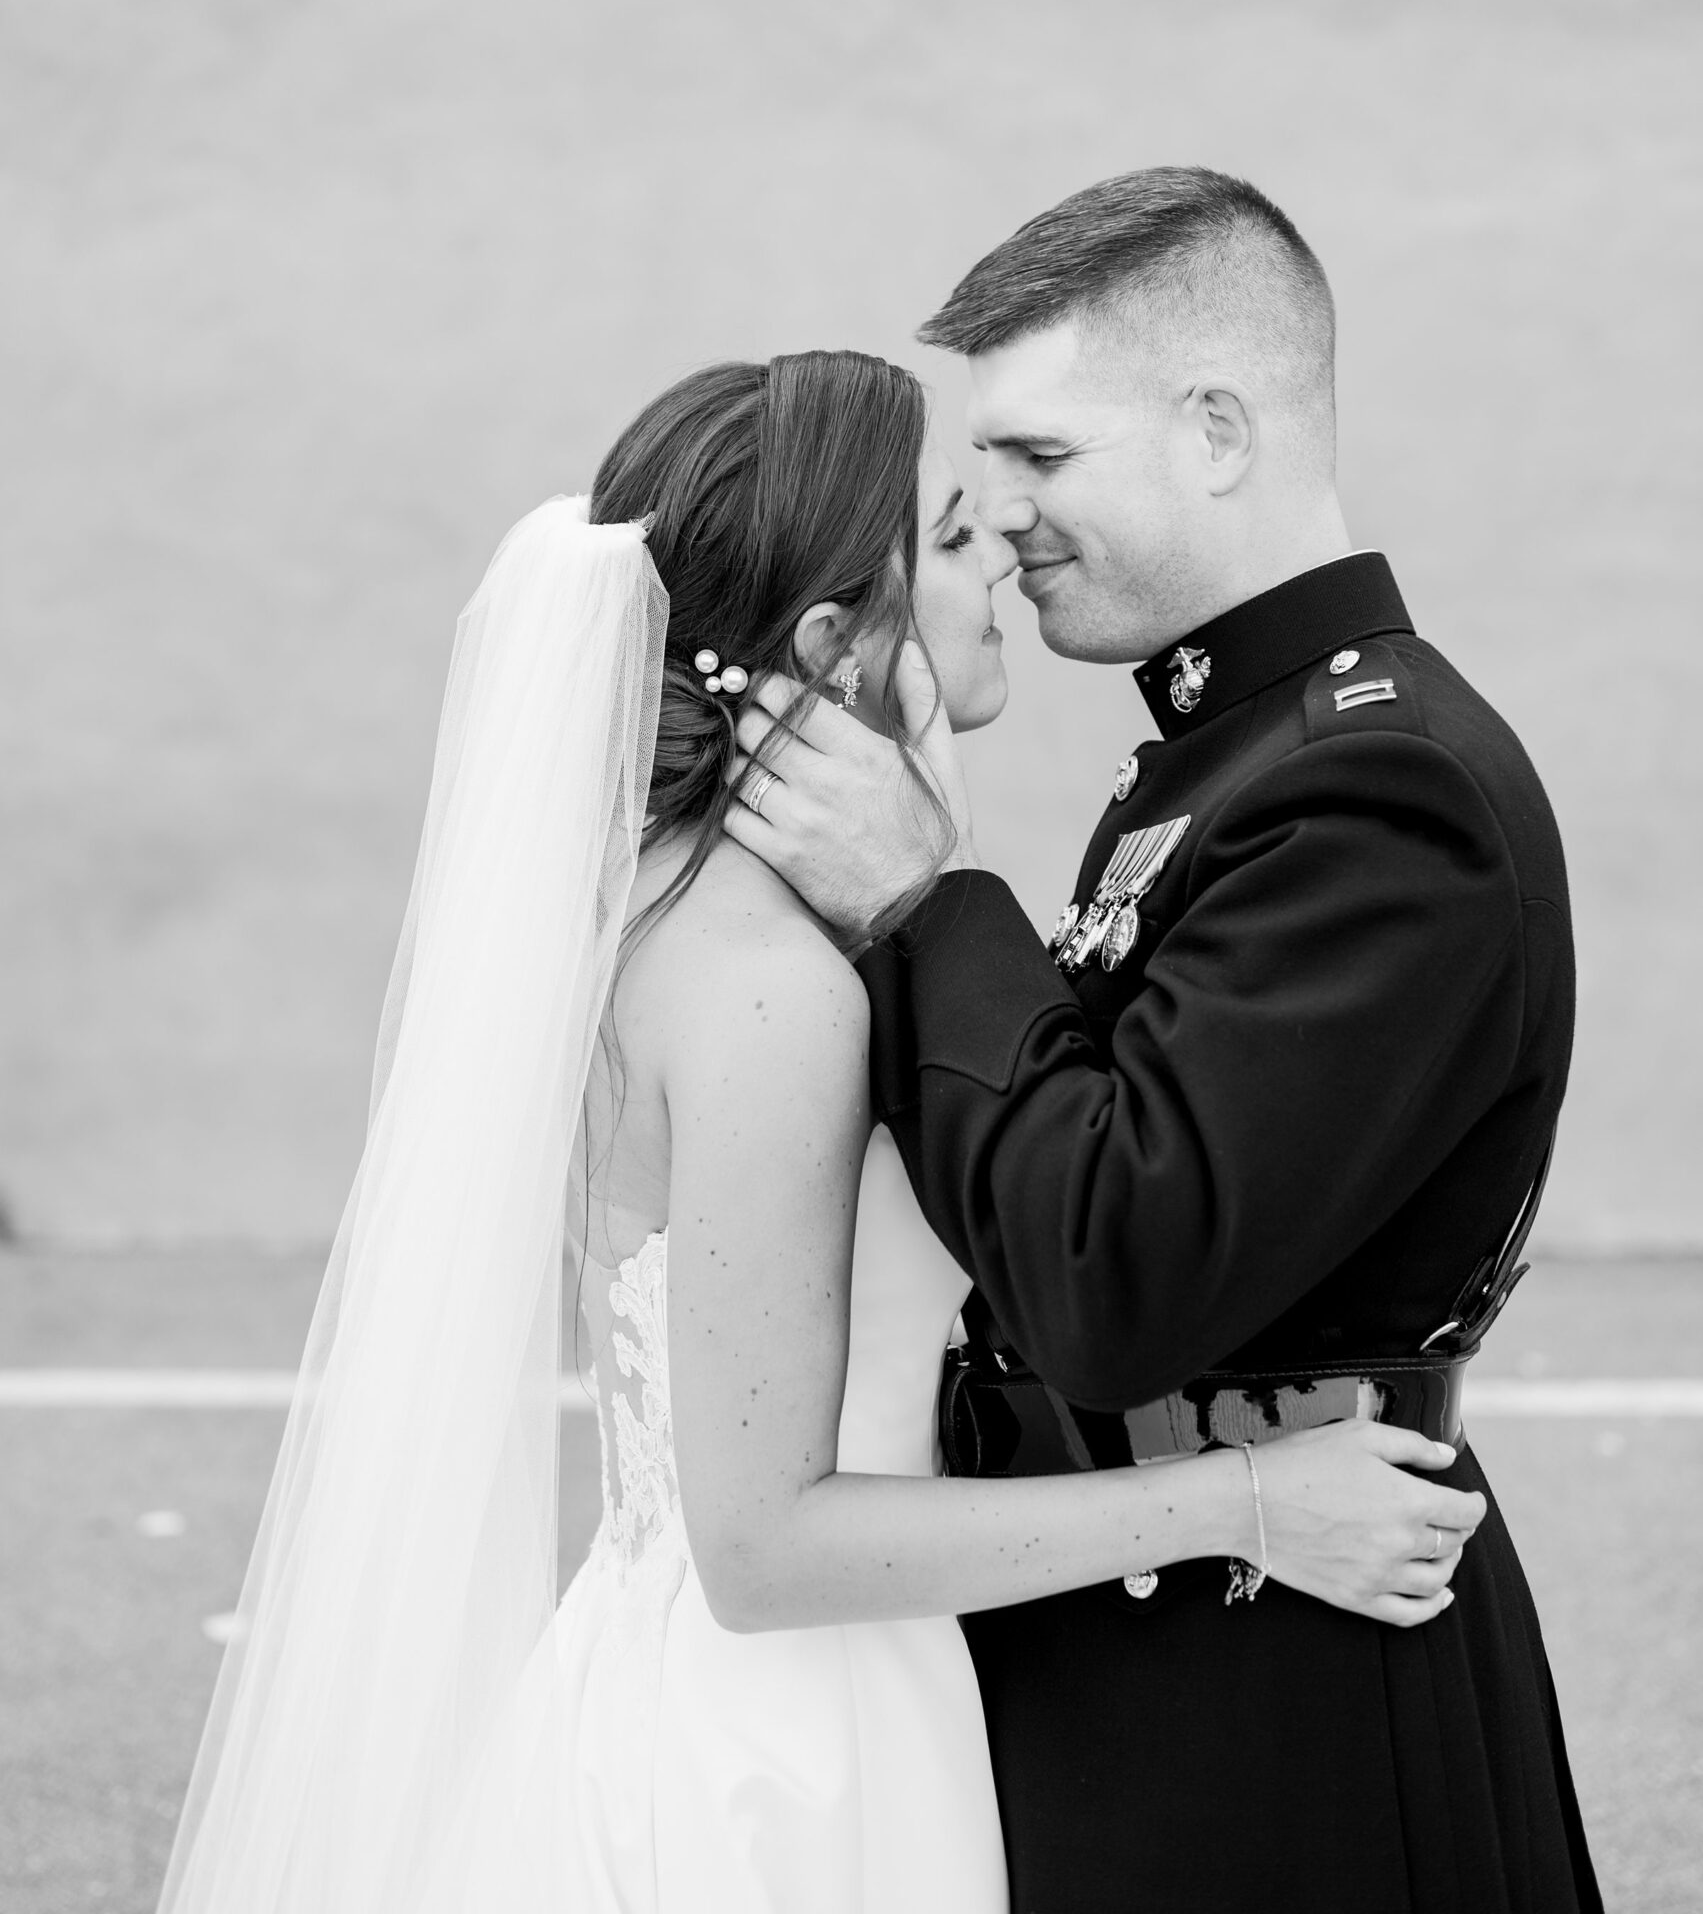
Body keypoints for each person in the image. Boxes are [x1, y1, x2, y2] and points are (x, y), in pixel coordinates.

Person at [156, 347, 1481, 1914]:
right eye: (949, 533)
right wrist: (1254, 1503)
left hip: (740, 1692)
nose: (1002, 544)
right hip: (781, 1769)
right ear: (834, 638)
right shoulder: (771, 992)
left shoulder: (695, 911)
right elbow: (764, 1547)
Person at [728, 176, 1604, 1914]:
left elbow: (1116, 1277)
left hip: (1286, 1693)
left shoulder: (1379, 786)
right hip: (1164, 1629)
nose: (1004, 515)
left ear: (1216, 429)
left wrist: (928, 905)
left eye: (1042, 456)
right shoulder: (1236, 755)